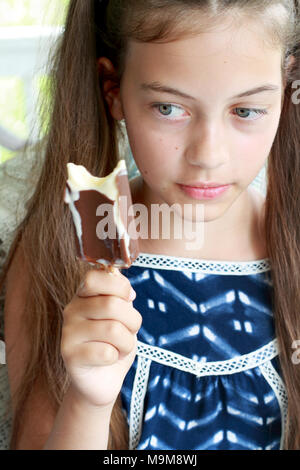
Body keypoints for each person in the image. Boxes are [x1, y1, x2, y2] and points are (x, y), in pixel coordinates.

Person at [0, 0, 299, 451]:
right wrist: (87, 399)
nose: (208, 155)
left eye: (245, 111)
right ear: (113, 90)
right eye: (168, 108)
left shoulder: (293, 249)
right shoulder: (59, 255)